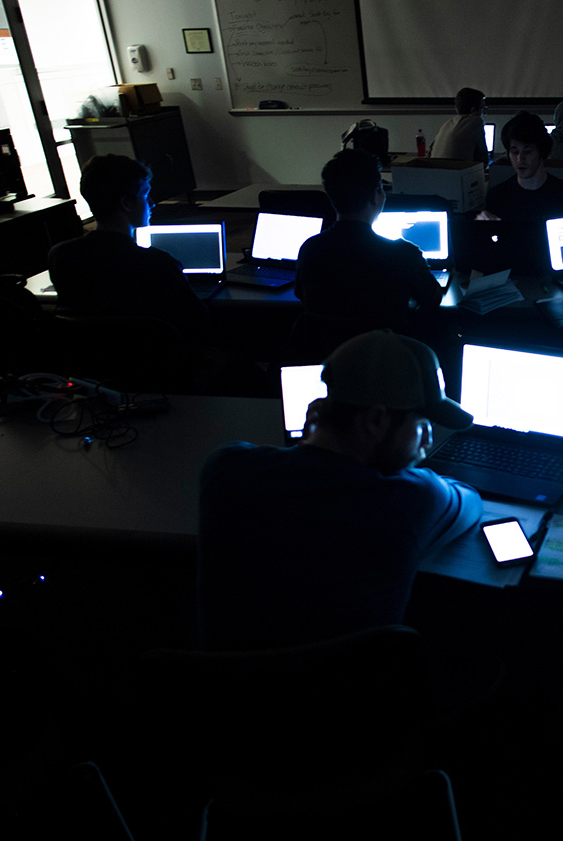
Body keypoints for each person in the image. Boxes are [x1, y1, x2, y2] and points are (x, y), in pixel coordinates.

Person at [197, 329, 483, 651]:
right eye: (421, 424)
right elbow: (471, 501)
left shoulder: (225, 470)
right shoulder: (410, 500)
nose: (428, 440)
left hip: (230, 692)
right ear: (376, 420)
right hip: (347, 697)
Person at [47, 154, 208, 342]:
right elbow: (198, 322)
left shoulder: (60, 256)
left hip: (91, 363)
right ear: (126, 203)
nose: (152, 203)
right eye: (145, 195)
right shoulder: (158, 264)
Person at [293, 149, 442, 344]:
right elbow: (433, 299)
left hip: (330, 365)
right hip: (388, 363)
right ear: (376, 195)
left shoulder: (310, 249)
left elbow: (302, 296)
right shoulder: (403, 254)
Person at [481, 111, 563, 223]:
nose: (520, 159)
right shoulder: (497, 197)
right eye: (515, 152)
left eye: (527, 151)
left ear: (542, 152)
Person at [430, 87, 488, 163]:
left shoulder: (447, 124)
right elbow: (483, 159)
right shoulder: (476, 121)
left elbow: (430, 151)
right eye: (483, 108)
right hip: (457, 173)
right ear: (473, 110)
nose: (484, 113)